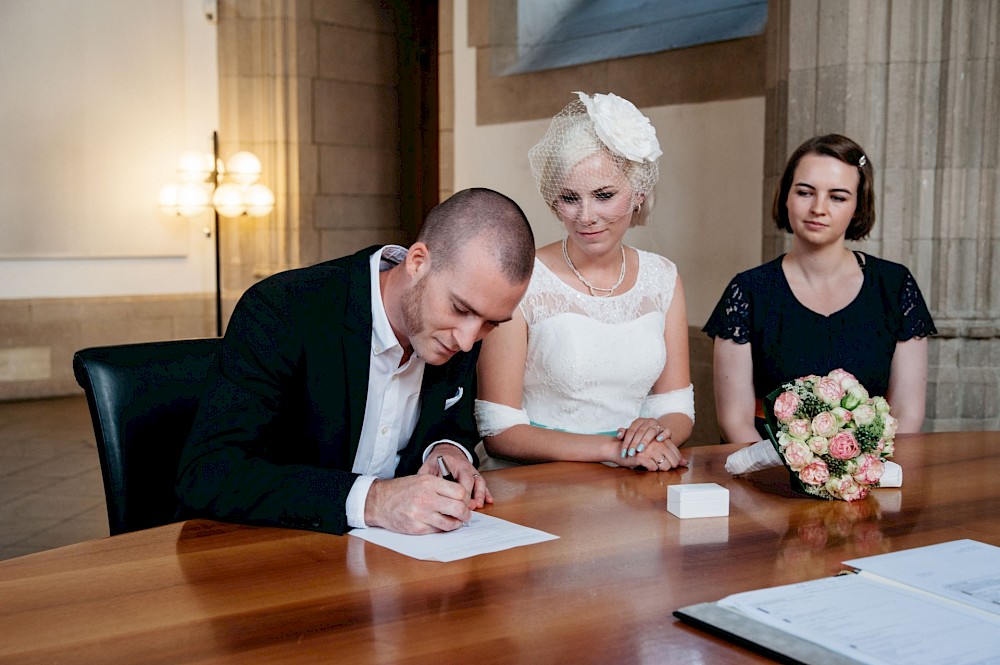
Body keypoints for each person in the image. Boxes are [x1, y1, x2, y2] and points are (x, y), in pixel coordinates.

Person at [175, 188, 536, 536]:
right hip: (268, 555)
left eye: (490, 323)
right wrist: (375, 500)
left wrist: (446, 450)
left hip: (397, 563)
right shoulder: (281, 310)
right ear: (417, 263)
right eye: (460, 309)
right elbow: (208, 474)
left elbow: (451, 423)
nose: (467, 339)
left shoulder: (461, 325)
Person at [475, 92, 694, 471]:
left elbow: (675, 408)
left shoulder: (663, 278)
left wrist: (653, 433)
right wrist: (614, 449)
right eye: (569, 198)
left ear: (638, 193)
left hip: (635, 482)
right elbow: (499, 429)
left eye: (604, 195)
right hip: (538, 484)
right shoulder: (523, 276)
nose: (586, 216)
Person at [704, 134, 937, 444]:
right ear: (786, 196)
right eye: (805, 192)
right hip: (764, 472)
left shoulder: (894, 286)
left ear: (858, 206)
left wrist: (858, 472)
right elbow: (734, 421)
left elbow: (906, 413)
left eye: (837, 197)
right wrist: (786, 477)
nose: (818, 208)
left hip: (869, 474)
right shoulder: (747, 292)